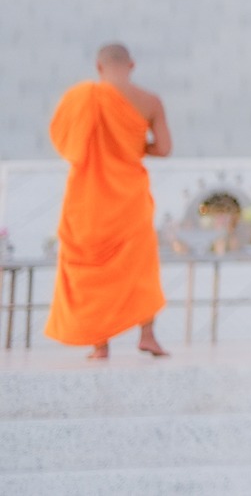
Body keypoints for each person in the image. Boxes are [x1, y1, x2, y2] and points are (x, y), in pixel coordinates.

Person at [46, 43, 173, 358]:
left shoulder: (82, 98)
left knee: (91, 268)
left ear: (99, 67)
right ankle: (148, 335)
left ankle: (100, 343)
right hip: (129, 198)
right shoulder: (149, 101)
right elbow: (165, 148)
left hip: (88, 200)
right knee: (140, 266)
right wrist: (135, 147)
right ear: (131, 65)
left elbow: (64, 141)